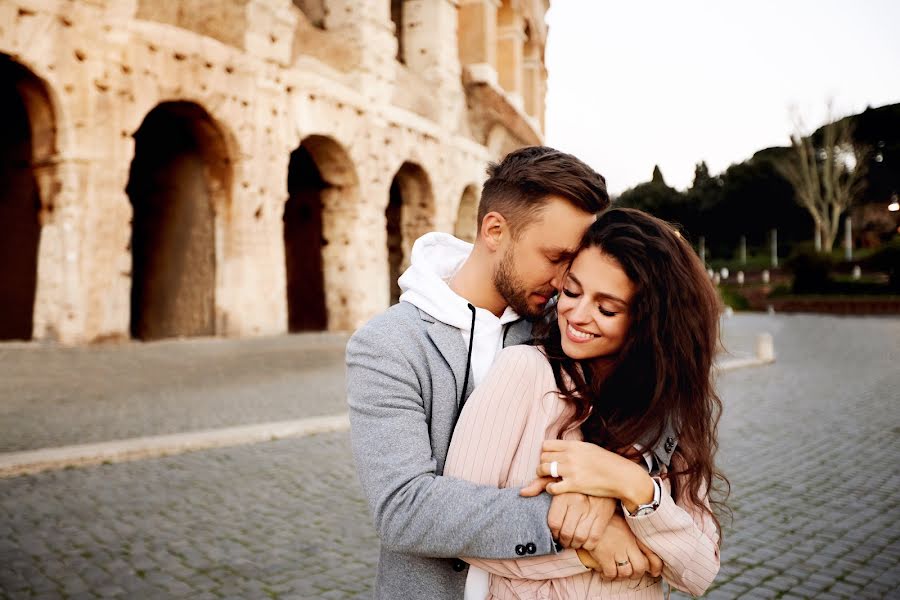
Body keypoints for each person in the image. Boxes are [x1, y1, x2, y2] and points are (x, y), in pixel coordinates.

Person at [347, 147, 675, 600]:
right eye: (555, 257)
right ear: (495, 230)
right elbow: (402, 508)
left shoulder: (563, 325)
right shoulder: (389, 345)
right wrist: (574, 523)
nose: (565, 282)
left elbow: (659, 385)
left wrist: (615, 481)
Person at [443, 208, 726, 599]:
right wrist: (592, 549)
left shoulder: (666, 408)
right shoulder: (525, 372)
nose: (576, 314)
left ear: (649, 322)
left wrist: (633, 486)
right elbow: (456, 526)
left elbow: (699, 570)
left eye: (606, 309)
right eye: (572, 292)